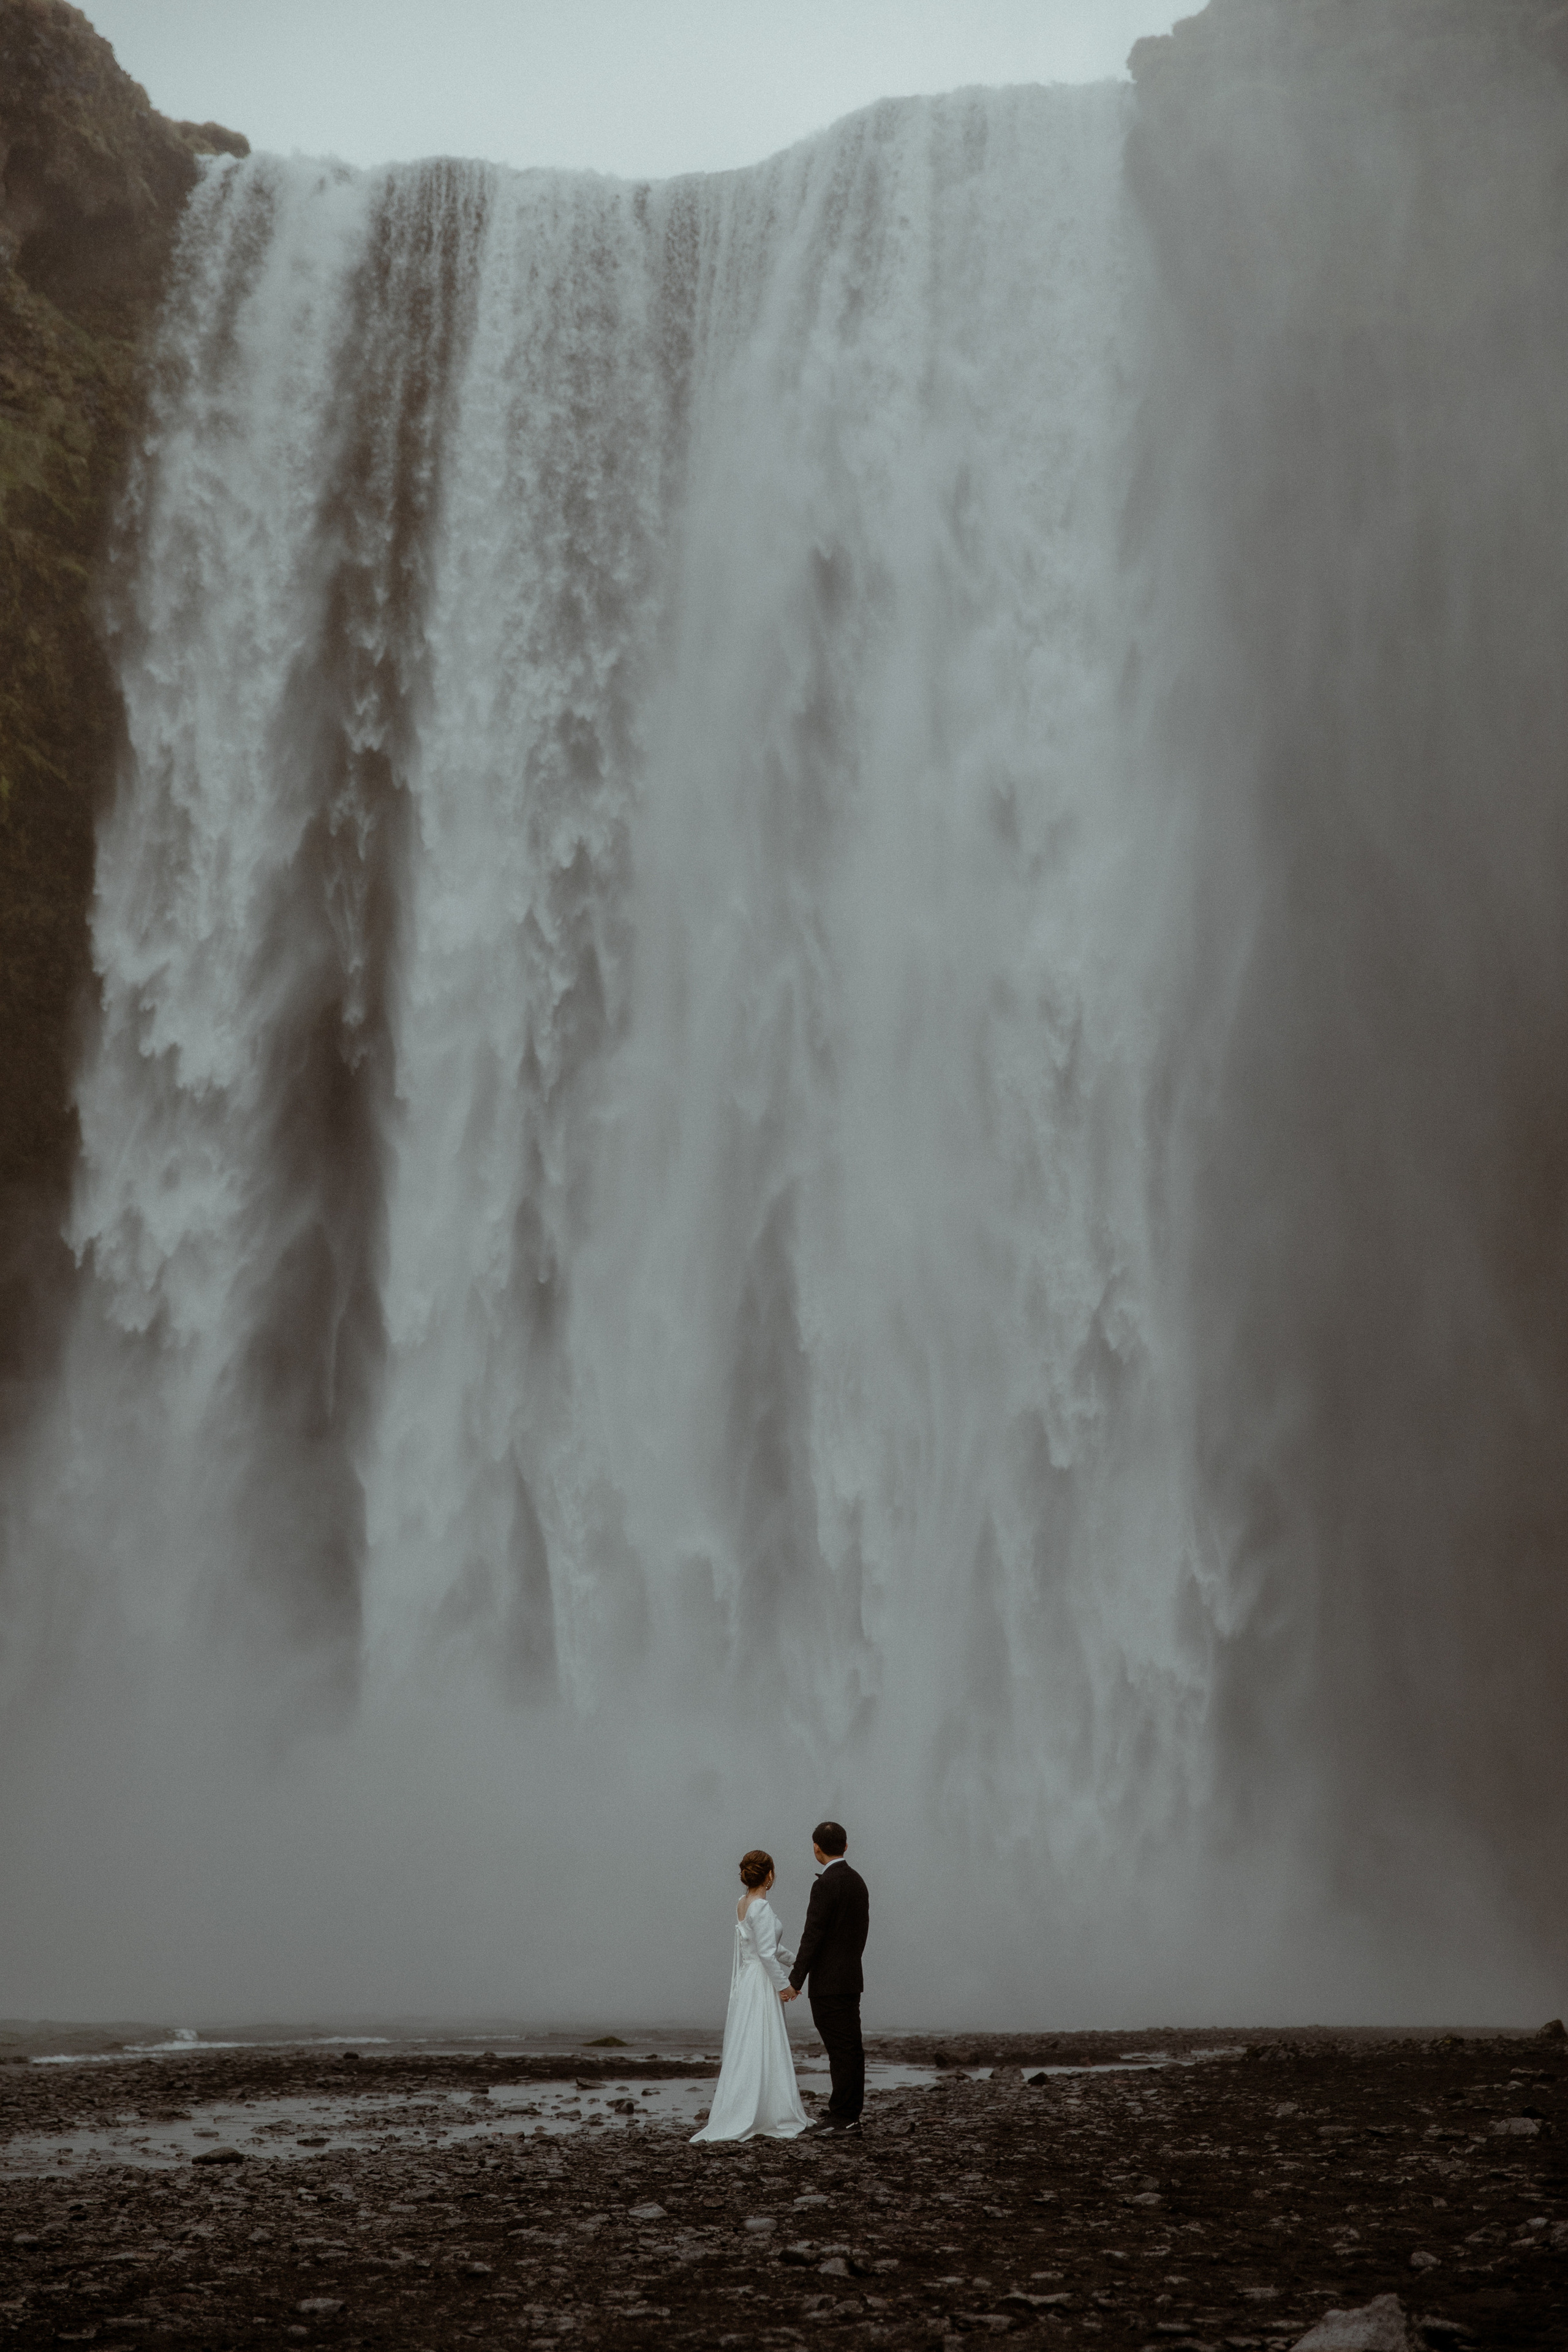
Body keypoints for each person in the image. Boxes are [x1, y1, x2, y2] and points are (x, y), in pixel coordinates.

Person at [690, 1849, 810, 2143]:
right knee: (764, 2040)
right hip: (761, 1981)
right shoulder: (762, 1908)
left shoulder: (742, 1903)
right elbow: (768, 1954)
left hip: (748, 1980)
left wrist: (799, 1960)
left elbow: (764, 1948)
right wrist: (785, 1985)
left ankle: (744, 2105)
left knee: (748, 2042)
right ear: (769, 1875)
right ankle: (768, 2110)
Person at [780, 1820, 868, 2134]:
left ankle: (844, 2117)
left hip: (828, 1984)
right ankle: (849, 2114)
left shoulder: (824, 1885)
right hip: (850, 1978)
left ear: (816, 1849)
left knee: (840, 2050)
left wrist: (795, 1981)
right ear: (846, 1846)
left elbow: (812, 1936)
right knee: (850, 2048)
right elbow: (861, 1935)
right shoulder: (858, 1881)